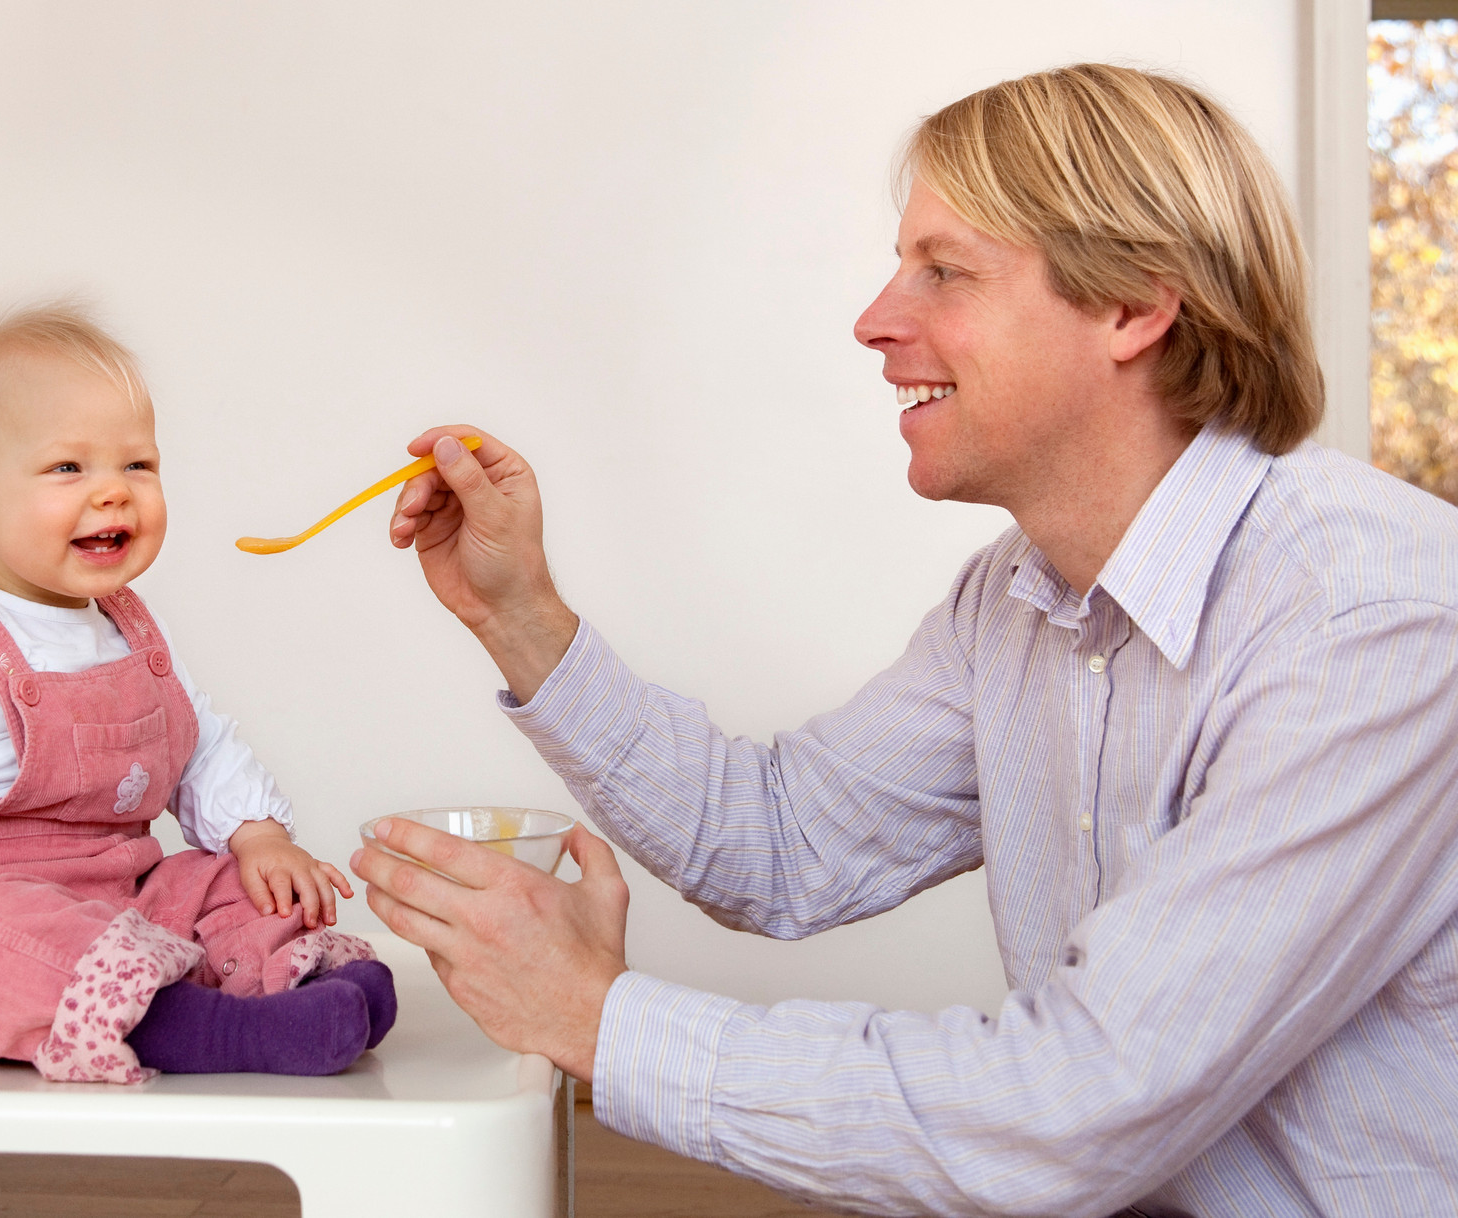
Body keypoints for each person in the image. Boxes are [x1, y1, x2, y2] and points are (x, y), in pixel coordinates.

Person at [353, 64, 1458, 1216]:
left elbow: (1076, 1106)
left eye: (945, 271)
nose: (877, 319)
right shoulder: (1017, 600)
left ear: (1134, 306)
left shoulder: (1373, 627)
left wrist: (598, 1016)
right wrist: (518, 610)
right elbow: (778, 844)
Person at [0, 303, 392, 1083]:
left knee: (217, 880)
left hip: (119, 893)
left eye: (137, 465)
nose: (113, 493)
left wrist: (259, 839)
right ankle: (210, 1032)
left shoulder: (130, 630)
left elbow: (200, 743)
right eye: (69, 468)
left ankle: (290, 977)